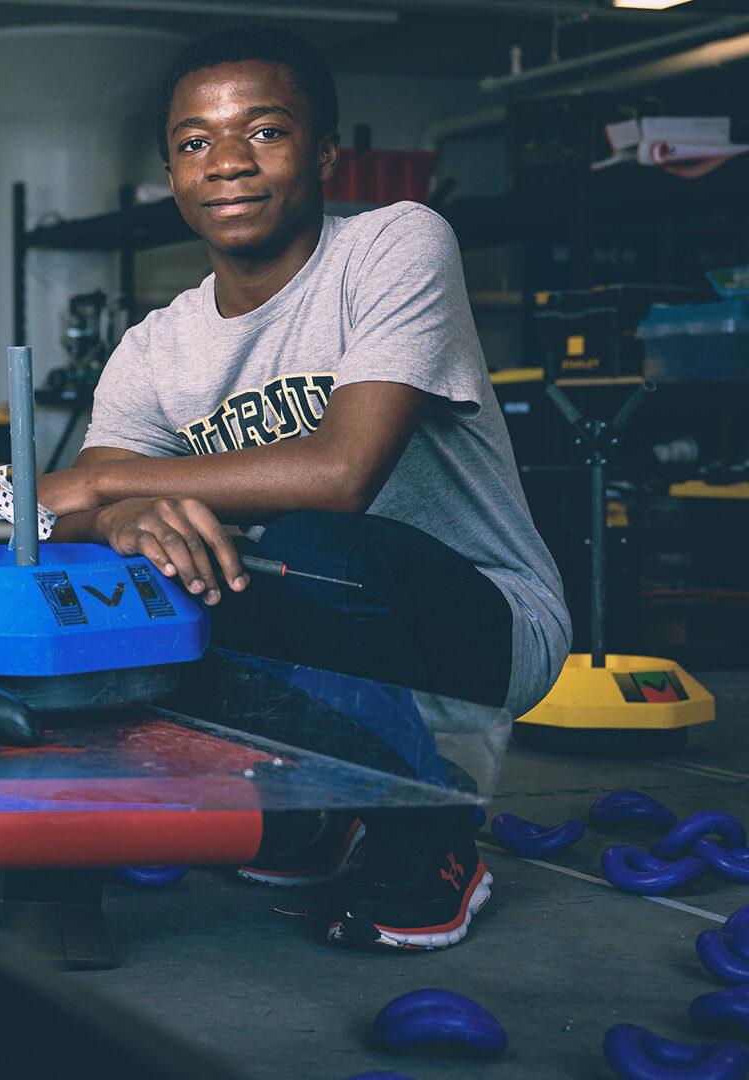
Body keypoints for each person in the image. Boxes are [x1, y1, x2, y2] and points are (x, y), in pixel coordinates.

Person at [37, 25, 569, 950]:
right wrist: (128, 517)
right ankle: (327, 804)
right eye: (195, 143)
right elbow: (85, 516)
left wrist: (112, 482)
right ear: (172, 175)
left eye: (265, 131)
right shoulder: (153, 348)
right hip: (303, 614)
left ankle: (433, 833)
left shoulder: (394, 245)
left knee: (309, 547)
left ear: (324, 151)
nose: (228, 163)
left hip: (483, 627)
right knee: (149, 572)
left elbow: (340, 474)